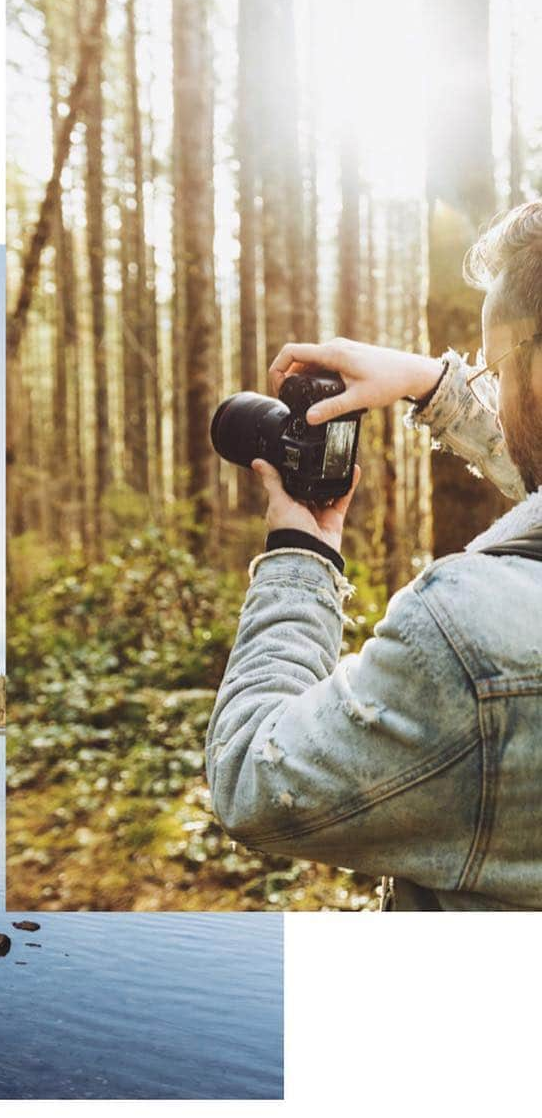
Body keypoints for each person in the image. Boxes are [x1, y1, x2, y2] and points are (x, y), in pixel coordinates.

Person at [206, 200, 542, 910]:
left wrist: (301, 554)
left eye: (499, 370)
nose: (496, 390)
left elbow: (250, 778)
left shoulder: (469, 638)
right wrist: (436, 385)